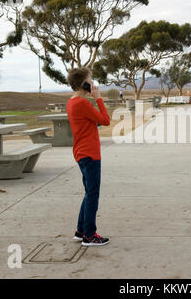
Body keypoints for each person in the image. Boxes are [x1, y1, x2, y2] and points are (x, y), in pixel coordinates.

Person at [66, 67, 111, 247]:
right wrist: (98, 98)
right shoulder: (82, 104)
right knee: (93, 194)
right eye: (90, 80)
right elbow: (106, 120)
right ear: (84, 83)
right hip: (90, 153)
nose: (93, 83)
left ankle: (81, 230)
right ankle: (90, 235)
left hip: (81, 152)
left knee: (88, 192)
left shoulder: (72, 102)